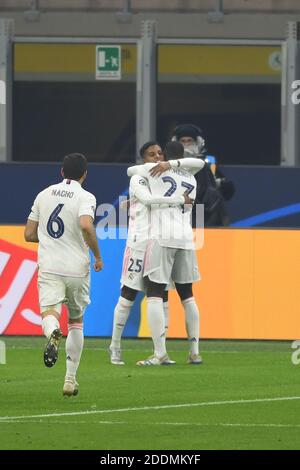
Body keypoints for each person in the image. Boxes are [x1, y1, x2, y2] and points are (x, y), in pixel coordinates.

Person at [24, 153, 103, 396]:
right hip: (76, 268)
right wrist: (98, 255)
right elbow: (86, 224)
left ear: (61, 171)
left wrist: (48, 239)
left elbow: (28, 234)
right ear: (85, 174)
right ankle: (70, 380)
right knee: (76, 320)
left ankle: (52, 332)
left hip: (50, 265)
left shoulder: (44, 193)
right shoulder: (86, 196)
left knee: (50, 313)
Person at [109, 141, 193, 365]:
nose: (157, 157)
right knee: (128, 295)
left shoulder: (162, 180)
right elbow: (146, 200)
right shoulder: (138, 178)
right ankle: (114, 346)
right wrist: (178, 200)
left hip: (157, 243)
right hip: (138, 243)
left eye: (159, 153)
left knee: (161, 295)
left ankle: (161, 351)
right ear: (143, 158)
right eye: (151, 154)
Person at [127, 141, 204, 365]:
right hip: (187, 238)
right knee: (188, 296)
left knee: (155, 292)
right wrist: (175, 164)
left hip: (162, 236)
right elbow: (199, 162)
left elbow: (131, 171)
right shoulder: (192, 175)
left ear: (164, 156)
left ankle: (159, 353)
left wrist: (163, 165)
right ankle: (195, 352)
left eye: (160, 154)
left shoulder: (153, 171)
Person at [171, 124, 235, 227]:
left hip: (201, 209)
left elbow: (225, 191)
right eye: (182, 141)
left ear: (198, 143)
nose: (186, 144)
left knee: (199, 239)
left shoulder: (208, 163)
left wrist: (221, 184)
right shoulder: (169, 163)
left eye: (189, 141)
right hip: (176, 209)